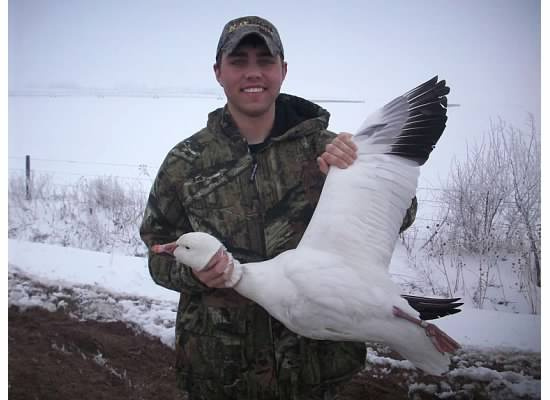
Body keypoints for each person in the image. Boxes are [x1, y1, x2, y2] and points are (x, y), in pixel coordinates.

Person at [140, 15, 417, 400]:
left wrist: (350, 177)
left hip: (318, 368)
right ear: (218, 72)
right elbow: (156, 253)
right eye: (238, 61)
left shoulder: (330, 149)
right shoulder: (185, 163)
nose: (253, 73)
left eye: (265, 61)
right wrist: (195, 275)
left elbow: (402, 213)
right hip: (220, 373)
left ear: (283, 70)